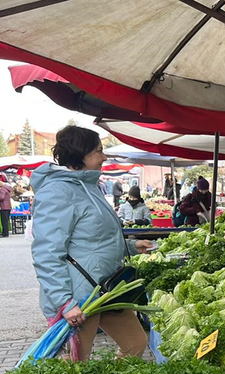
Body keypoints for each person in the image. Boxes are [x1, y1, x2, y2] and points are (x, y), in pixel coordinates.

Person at [30, 125, 153, 361]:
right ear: (80, 155)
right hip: (79, 295)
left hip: (106, 288)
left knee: (135, 343)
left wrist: (131, 247)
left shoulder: (89, 186)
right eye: (99, 151)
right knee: (77, 364)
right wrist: (64, 302)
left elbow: (95, 236)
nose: (104, 156)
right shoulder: (57, 192)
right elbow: (47, 253)